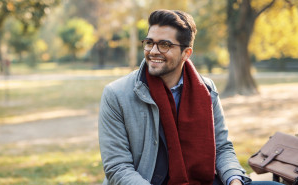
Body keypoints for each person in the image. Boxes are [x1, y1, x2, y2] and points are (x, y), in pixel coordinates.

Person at [98, 9, 283, 185]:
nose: (153, 51)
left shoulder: (206, 89)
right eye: (149, 42)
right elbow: (118, 168)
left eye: (164, 45)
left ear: (186, 53)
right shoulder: (116, 94)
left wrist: (234, 180)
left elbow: (222, 148)